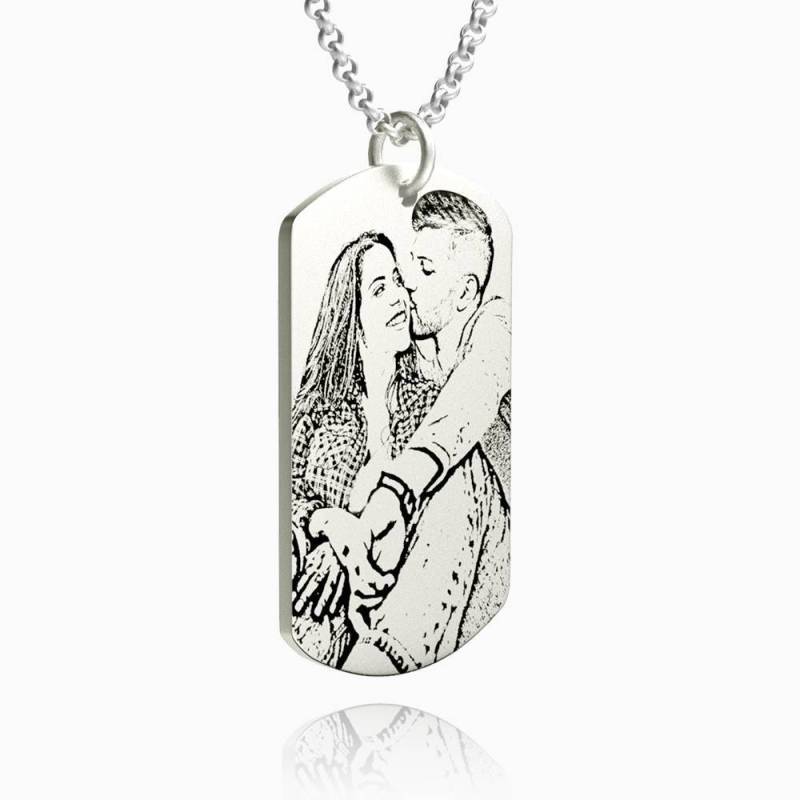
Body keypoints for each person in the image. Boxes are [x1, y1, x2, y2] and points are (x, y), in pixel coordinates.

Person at [317, 191, 512, 673]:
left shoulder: (498, 327)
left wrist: (397, 491)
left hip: (503, 562)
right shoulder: (411, 371)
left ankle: (386, 654)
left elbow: (469, 399)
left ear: (464, 293)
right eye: (409, 268)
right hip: (434, 588)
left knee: (461, 467)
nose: (407, 284)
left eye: (424, 271)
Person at [290, 231, 439, 668]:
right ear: (352, 317)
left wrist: (348, 554)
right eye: (379, 288)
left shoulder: (429, 405)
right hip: (308, 600)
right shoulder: (319, 409)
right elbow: (280, 494)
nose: (398, 296)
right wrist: (328, 524)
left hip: (393, 615)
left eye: (398, 280)